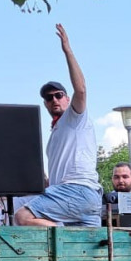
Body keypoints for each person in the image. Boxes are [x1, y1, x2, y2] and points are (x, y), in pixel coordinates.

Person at [14, 24, 102, 227]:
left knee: (22, 217)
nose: (54, 99)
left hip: (76, 190)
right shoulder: (56, 132)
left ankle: (61, 230)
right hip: (88, 197)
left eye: (58, 95)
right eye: (48, 97)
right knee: (80, 247)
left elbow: (81, 90)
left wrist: (67, 51)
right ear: (45, 104)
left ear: (67, 99)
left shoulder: (74, 117)